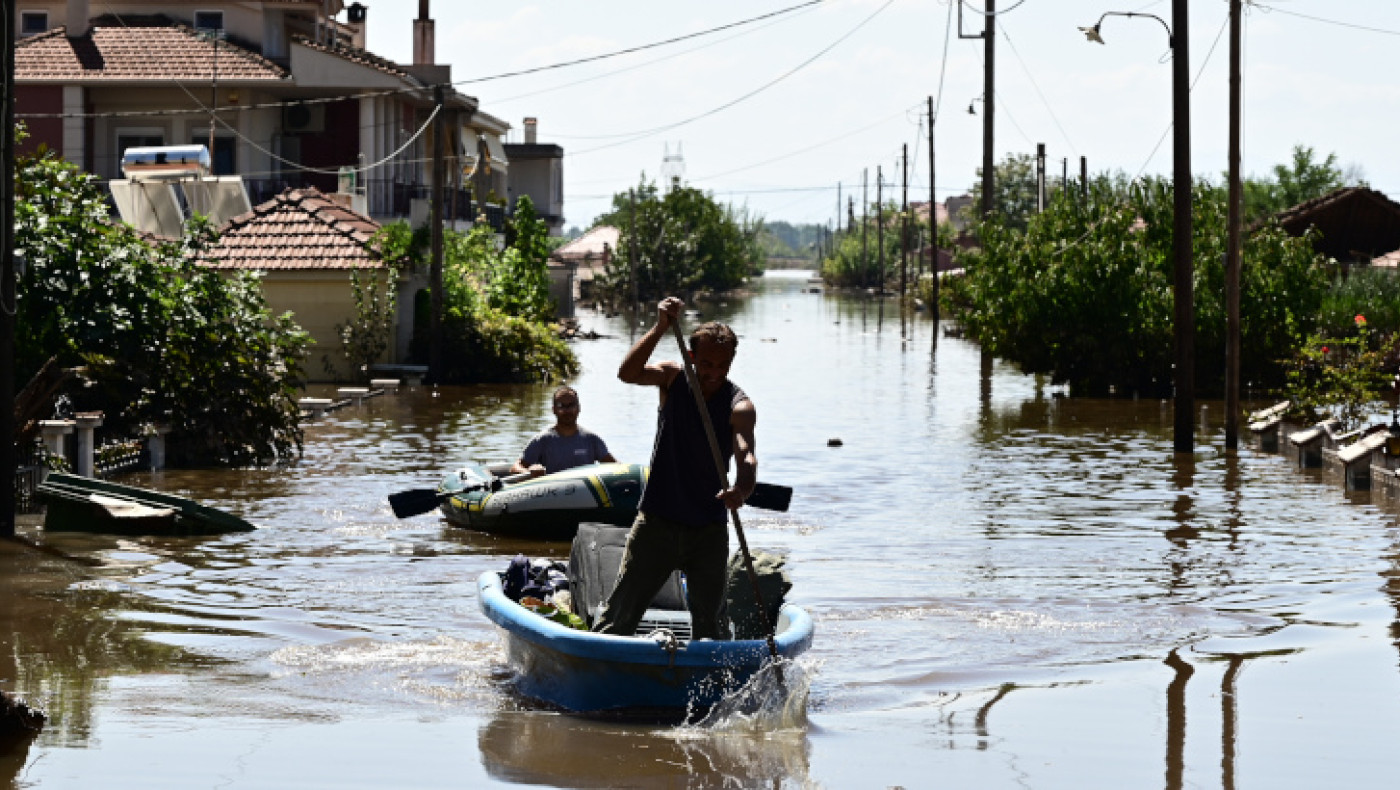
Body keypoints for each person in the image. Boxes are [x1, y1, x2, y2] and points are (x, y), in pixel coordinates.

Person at [593, 296, 757, 640]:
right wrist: (661, 327)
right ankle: (599, 664)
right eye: (707, 364)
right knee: (620, 614)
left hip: (708, 529)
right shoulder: (672, 379)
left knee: (710, 625)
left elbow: (746, 453)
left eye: (723, 365)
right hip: (658, 520)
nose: (714, 373)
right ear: (692, 356)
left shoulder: (739, 405)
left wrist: (741, 489)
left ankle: (709, 681)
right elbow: (628, 373)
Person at [510, 386, 616, 478]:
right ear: (554, 410)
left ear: (578, 408)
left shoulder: (592, 440)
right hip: (552, 495)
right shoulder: (542, 440)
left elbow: (616, 467)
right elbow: (515, 468)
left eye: (571, 405)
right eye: (561, 406)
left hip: (584, 496)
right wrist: (529, 472)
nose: (567, 410)